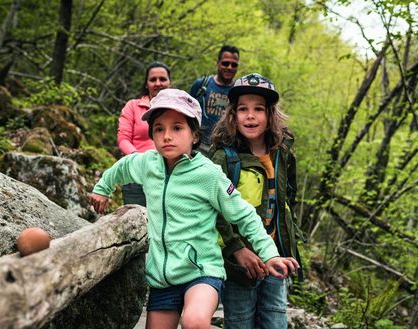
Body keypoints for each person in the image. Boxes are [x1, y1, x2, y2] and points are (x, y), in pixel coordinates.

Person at [89, 88, 299, 329]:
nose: (167, 136)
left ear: (195, 136)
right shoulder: (147, 163)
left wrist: (269, 254)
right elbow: (122, 167)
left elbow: (244, 214)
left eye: (177, 128)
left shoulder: (208, 174)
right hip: (162, 278)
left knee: (195, 321)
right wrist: (102, 189)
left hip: (202, 272)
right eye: (159, 129)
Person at [210, 73, 300, 329]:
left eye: (258, 109)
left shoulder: (282, 153)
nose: (250, 116)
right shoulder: (223, 158)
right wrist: (237, 250)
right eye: (243, 109)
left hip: (275, 255)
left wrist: (289, 244)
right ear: (233, 115)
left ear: (270, 114)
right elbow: (211, 210)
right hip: (241, 264)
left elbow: (288, 199)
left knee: (275, 322)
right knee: (240, 323)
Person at [117, 61, 171, 206]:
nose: (158, 83)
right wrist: (139, 159)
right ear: (146, 84)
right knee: (137, 222)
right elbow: (123, 139)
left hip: (169, 175)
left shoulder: (177, 110)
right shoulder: (133, 106)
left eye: (162, 79)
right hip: (136, 176)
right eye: (153, 79)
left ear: (169, 83)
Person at [189, 45, 240, 154]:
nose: (229, 67)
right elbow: (188, 114)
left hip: (226, 148)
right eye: (225, 63)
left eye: (234, 64)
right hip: (199, 145)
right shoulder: (202, 85)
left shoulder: (238, 90)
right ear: (218, 62)